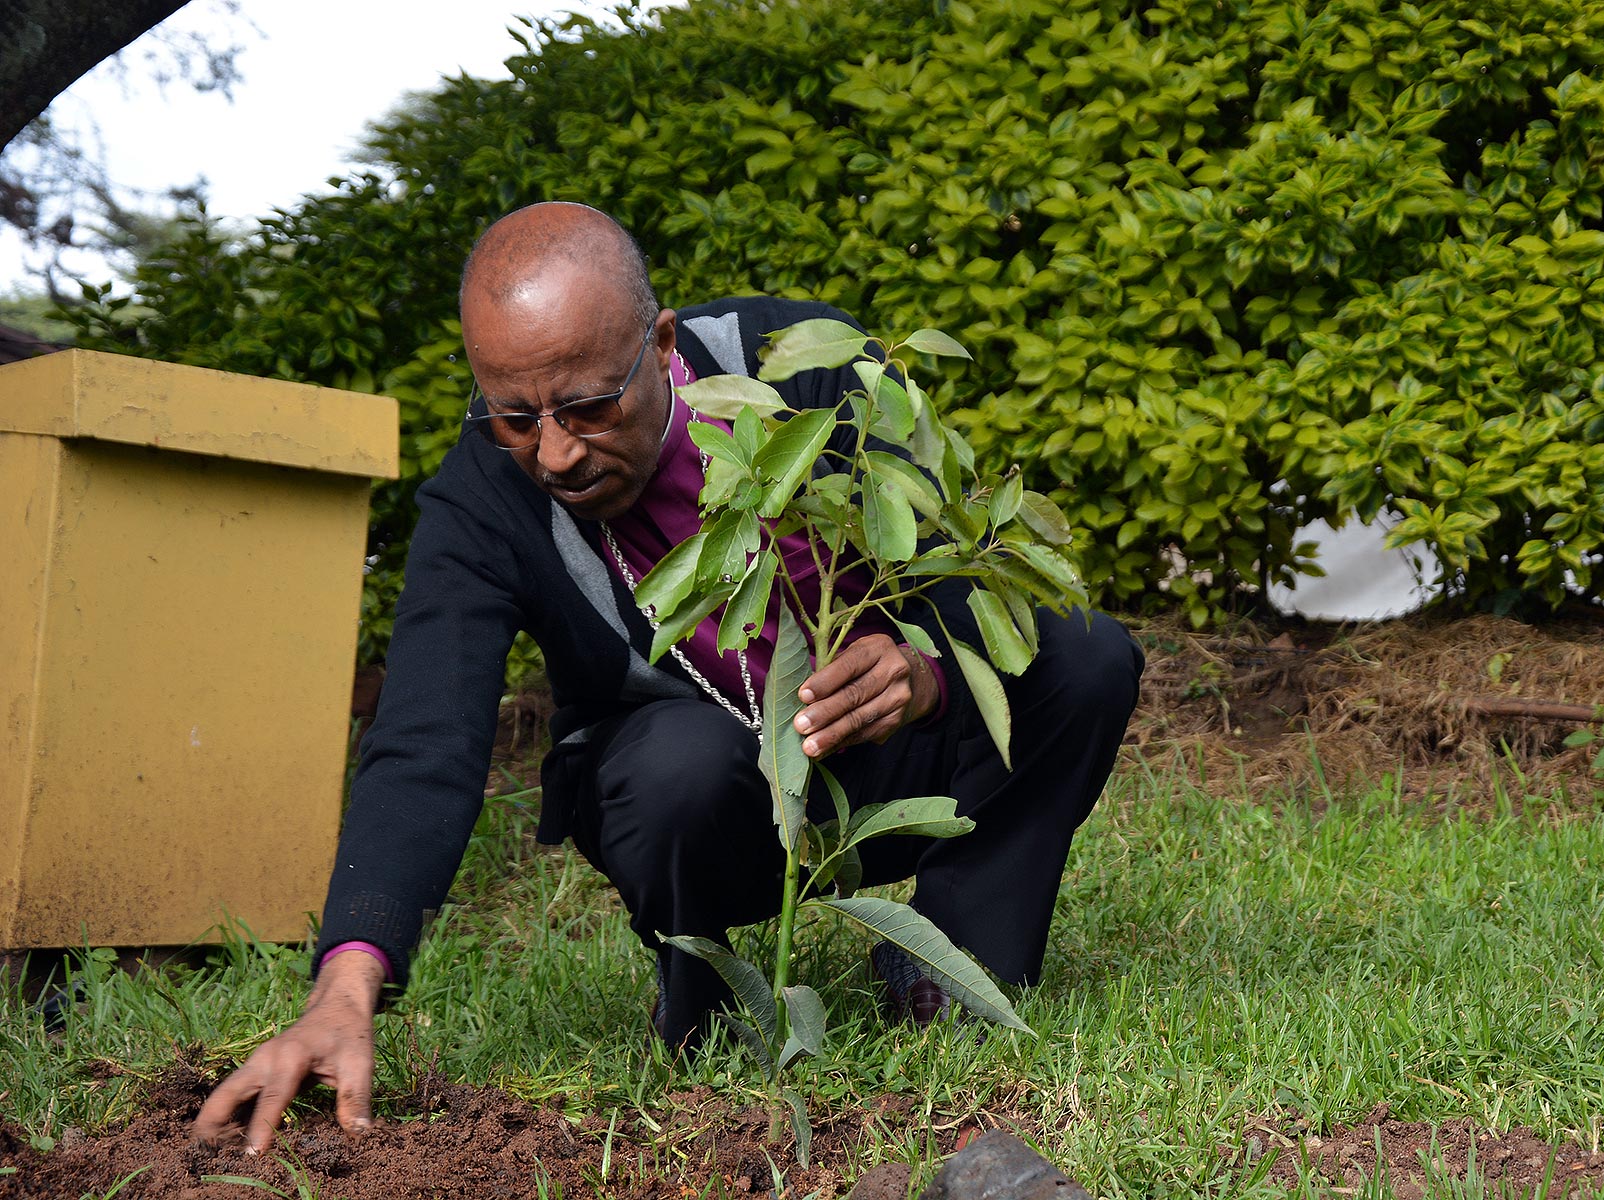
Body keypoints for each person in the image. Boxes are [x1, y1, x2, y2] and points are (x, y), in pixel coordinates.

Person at [194, 203, 1142, 1153]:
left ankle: (952, 959)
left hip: (879, 740)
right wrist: (346, 985)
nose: (555, 454)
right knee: (675, 765)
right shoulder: (482, 500)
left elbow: (945, 556)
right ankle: (709, 993)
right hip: (699, 793)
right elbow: (424, 741)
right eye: (513, 418)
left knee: (1084, 657)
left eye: (589, 407)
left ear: (658, 345)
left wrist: (922, 667)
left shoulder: (805, 364)